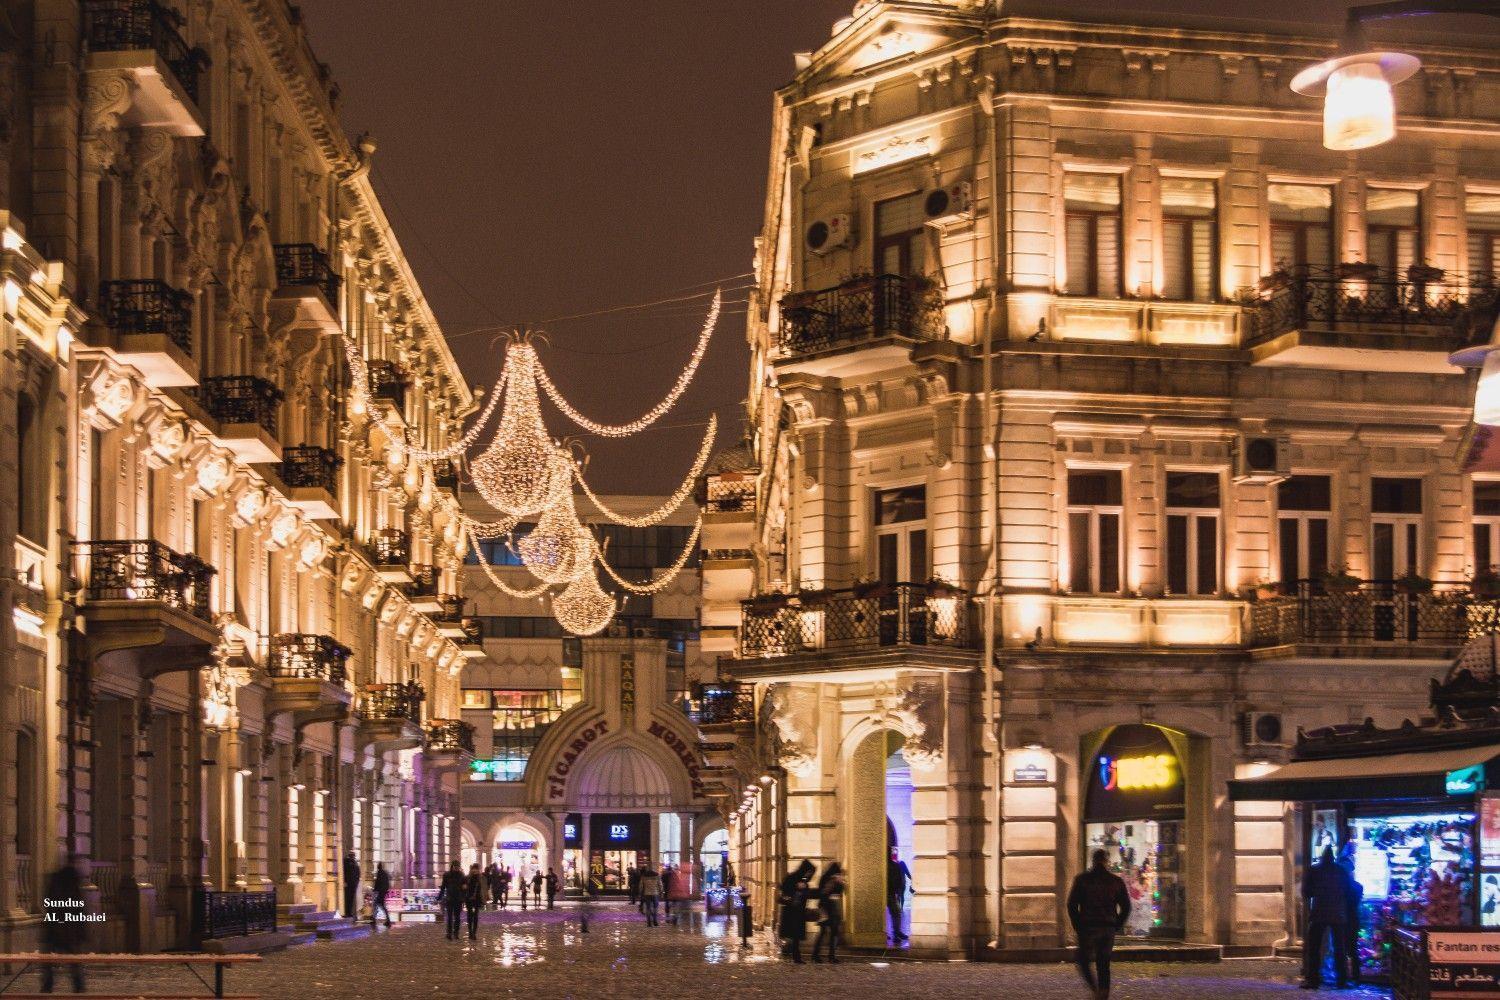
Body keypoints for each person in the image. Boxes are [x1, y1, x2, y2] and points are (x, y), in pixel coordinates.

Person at [1067, 848, 1131, 1000]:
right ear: (1106, 861)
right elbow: (1126, 906)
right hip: (1108, 927)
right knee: (1104, 964)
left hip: (1088, 927)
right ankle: (1103, 994)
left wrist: (1077, 925)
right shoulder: (1116, 881)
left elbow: (1071, 904)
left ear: (1093, 861)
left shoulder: (1082, 880)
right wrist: (1117, 924)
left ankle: (1095, 990)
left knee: (1083, 960)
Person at [1303, 845, 1356, 989]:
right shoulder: (1341, 871)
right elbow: (1349, 891)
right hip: (1338, 914)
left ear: (1322, 857)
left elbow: (1306, 892)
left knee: (1314, 948)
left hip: (1319, 913)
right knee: (1340, 948)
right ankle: (1342, 980)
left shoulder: (1314, 870)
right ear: (1333, 857)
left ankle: (1313, 979)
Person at [39, 855, 87, 994]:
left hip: (55, 927)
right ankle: (78, 988)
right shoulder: (74, 881)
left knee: (49, 962)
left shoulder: (57, 879)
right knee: (74, 962)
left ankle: (47, 987)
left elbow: (50, 903)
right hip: (68, 929)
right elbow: (78, 909)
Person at [1337, 842, 1365, 985]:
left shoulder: (1340, 888)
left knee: (1342, 949)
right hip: (1353, 920)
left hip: (1342, 920)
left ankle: (1342, 976)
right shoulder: (1358, 887)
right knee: (1353, 950)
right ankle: (1356, 976)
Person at [778, 860, 815, 963]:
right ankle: (794, 955)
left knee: (796, 936)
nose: (809, 875)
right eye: (808, 872)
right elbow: (783, 889)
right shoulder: (792, 878)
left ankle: (795, 955)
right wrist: (796, 887)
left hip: (799, 911)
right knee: (793, 935)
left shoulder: (804, 882)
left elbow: (807, 894)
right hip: (791, 911)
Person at [812, 862, 846, 964]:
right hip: (827, 908)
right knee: (824, 932)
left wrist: (840, 883)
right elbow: (823, 894)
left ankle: (828, 956)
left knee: (832, 932)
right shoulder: (827, 879)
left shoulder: (834, 880)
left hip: (832, 908)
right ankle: (817, 955)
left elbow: (840, 892)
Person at [887, 849, 912, 943]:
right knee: (896, 913)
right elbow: (898, 879)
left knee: (896, 913)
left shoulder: (895, 865)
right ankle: (896, 933)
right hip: (891, 893)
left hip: (890, 892)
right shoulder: (895, 865)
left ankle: (896, 933)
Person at [437, 860, 466, 940]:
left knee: (457, 917)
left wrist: (463, 898)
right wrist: (439, 897)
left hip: (458, 899)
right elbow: (443, 887)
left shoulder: (461, 875)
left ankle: (456, 933)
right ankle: (449, 933)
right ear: (452, 866)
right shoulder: (447, 875)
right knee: (449, 917)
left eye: (458, 867)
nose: (456, 868)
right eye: (455, 867)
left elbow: (464, 888)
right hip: (449, 899)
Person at [464, 863, 486, 940]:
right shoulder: (467, 878)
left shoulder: (481, 878)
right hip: (469, 899)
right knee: (470, 915)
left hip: (477, 899)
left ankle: (474, 933)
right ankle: (470, 932)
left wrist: (484, 899)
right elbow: (464, 888)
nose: (475, 870)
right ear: (471, 869)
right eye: (474, 868)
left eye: (476, 869)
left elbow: (483, 888)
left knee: (476, 916)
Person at [371, 862, 392, 927]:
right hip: (383, 892)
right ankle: (387, 920)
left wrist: (374, 890)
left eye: (378, 866)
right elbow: (387, 883)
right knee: (381, 906)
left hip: (380, 892)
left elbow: (377, 883)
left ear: (378, 867)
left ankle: (374, 919)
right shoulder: (385, 873)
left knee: (377, 905)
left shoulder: (379, 873)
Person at [342, 851, 361, 919]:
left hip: (352, 884)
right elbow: (345, 873)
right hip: (349, 884)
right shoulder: (347, 862)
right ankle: (347, 912)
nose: (353, 856)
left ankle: (349, 913)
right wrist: (345, 881)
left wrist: (356, 882)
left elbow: (358, 873)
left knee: (350, 899)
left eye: (353, 855)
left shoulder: (354, 863)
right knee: (348, 899)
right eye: (352, 855)